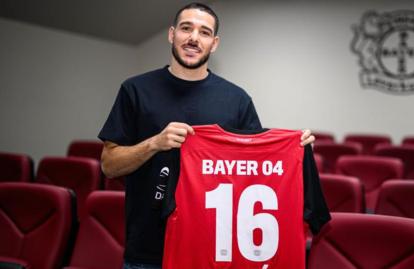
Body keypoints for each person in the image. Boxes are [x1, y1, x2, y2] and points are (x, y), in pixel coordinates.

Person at [98, 3, 315, 269]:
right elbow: (109, 165)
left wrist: (295, 146)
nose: (193, 38)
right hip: (147, 250)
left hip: (213, 251)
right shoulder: (135, 90)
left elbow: (256, 169)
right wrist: (155, 143)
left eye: (204, 32)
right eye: (186, 28)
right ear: (171, 34)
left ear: (214, 43)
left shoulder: (236, 100)